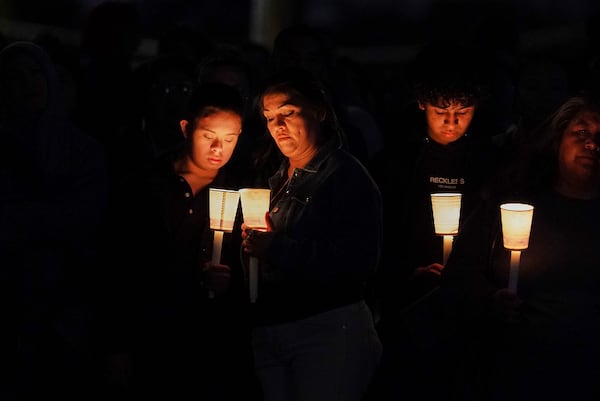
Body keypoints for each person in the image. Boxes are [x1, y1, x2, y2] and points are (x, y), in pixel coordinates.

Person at [100, 81, 261, 401]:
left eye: (229, 139)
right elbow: (116, 265)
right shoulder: (145, 184)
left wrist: (233, 278)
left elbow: (255, 274)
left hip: (213, 343)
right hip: (149, 335)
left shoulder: (244, 193)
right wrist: (115, 345)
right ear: (186, 128)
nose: (219, 149)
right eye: (208, 136)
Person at [440, 93, 600, 401]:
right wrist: (489, 299)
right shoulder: (512, 205)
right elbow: (458, 275)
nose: (592, 144)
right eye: (581, 132)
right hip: (516, 373)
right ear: (558, 141)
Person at [239, 67, 383, 401]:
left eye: (288, 113)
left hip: (326, 327)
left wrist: (277, 247)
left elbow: (359, 260)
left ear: (318, 110)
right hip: (273, 326)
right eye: (269, 117)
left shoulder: (344, 175)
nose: (278, 126)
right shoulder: (276, 178)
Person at [370, 41, 501, 401]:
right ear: (422, 103)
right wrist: (405, 275)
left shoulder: (491, 164)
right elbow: (377, 235)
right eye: (442, 110)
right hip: (406, 307)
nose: (451, 122)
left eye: (463, 111)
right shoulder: (396, 163)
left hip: (473, 310)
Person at [0, 41, 110, 401]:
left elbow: (84, 218)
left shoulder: (80, 149)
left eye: (34, 74)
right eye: (14, 77)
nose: (27, 84)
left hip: (66, 302)